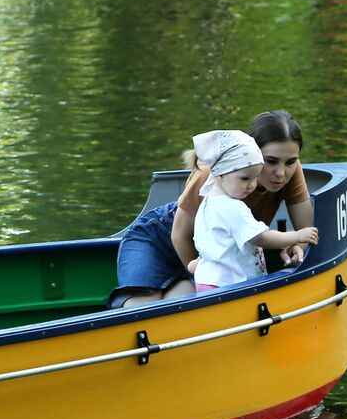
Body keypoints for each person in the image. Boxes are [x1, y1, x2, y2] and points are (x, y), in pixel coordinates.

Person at [111, 110, 315, 308]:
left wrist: (296, 246)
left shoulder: (288, 170)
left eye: (291, 161)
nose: (281, 172)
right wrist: (201, 277)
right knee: (141, 309)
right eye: (270, 161)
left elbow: (305, 232)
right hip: (161, 239)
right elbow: (179, 234)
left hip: (211, 253)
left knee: (180, 306)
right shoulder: (213, 174)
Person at [188, 130, 319, 292]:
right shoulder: (234, 208)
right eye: (245, 178)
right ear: (221, 174)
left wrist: (200, 266)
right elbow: (261, 237)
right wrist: (297, 236)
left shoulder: (208, 201)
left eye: (255, 177)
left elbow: (214, 245)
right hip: (228, 286)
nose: (252, 185)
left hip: (208, 281)